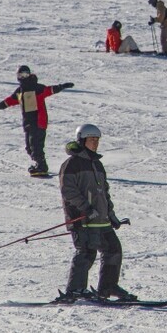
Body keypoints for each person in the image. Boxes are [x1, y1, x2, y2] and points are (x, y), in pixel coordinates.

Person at [57, 123, 135, 302]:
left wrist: (111, 215)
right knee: (86, 252)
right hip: (82, 218)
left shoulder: (97, 164)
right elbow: (68, 191)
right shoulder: (71, 164)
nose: (95, 143)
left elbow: (104, 192)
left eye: (97, 140)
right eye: (91, 140)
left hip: (101, 220)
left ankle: (107, 287)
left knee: (113, 250)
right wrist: (86, 209)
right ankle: (75, 290)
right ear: (82, 140)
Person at [0, 65, 75, 176]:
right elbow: (8, 102)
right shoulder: (20, 91)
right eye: (21, 75)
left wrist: (62, 86)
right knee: (29, 147)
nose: (23, 77)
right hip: (28, 123)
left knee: (35, 145)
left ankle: (42, 166)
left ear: (29, 74)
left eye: (25, 74)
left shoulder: (36, 88)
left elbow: (50, 90)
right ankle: (39, 164)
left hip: (38, 122)